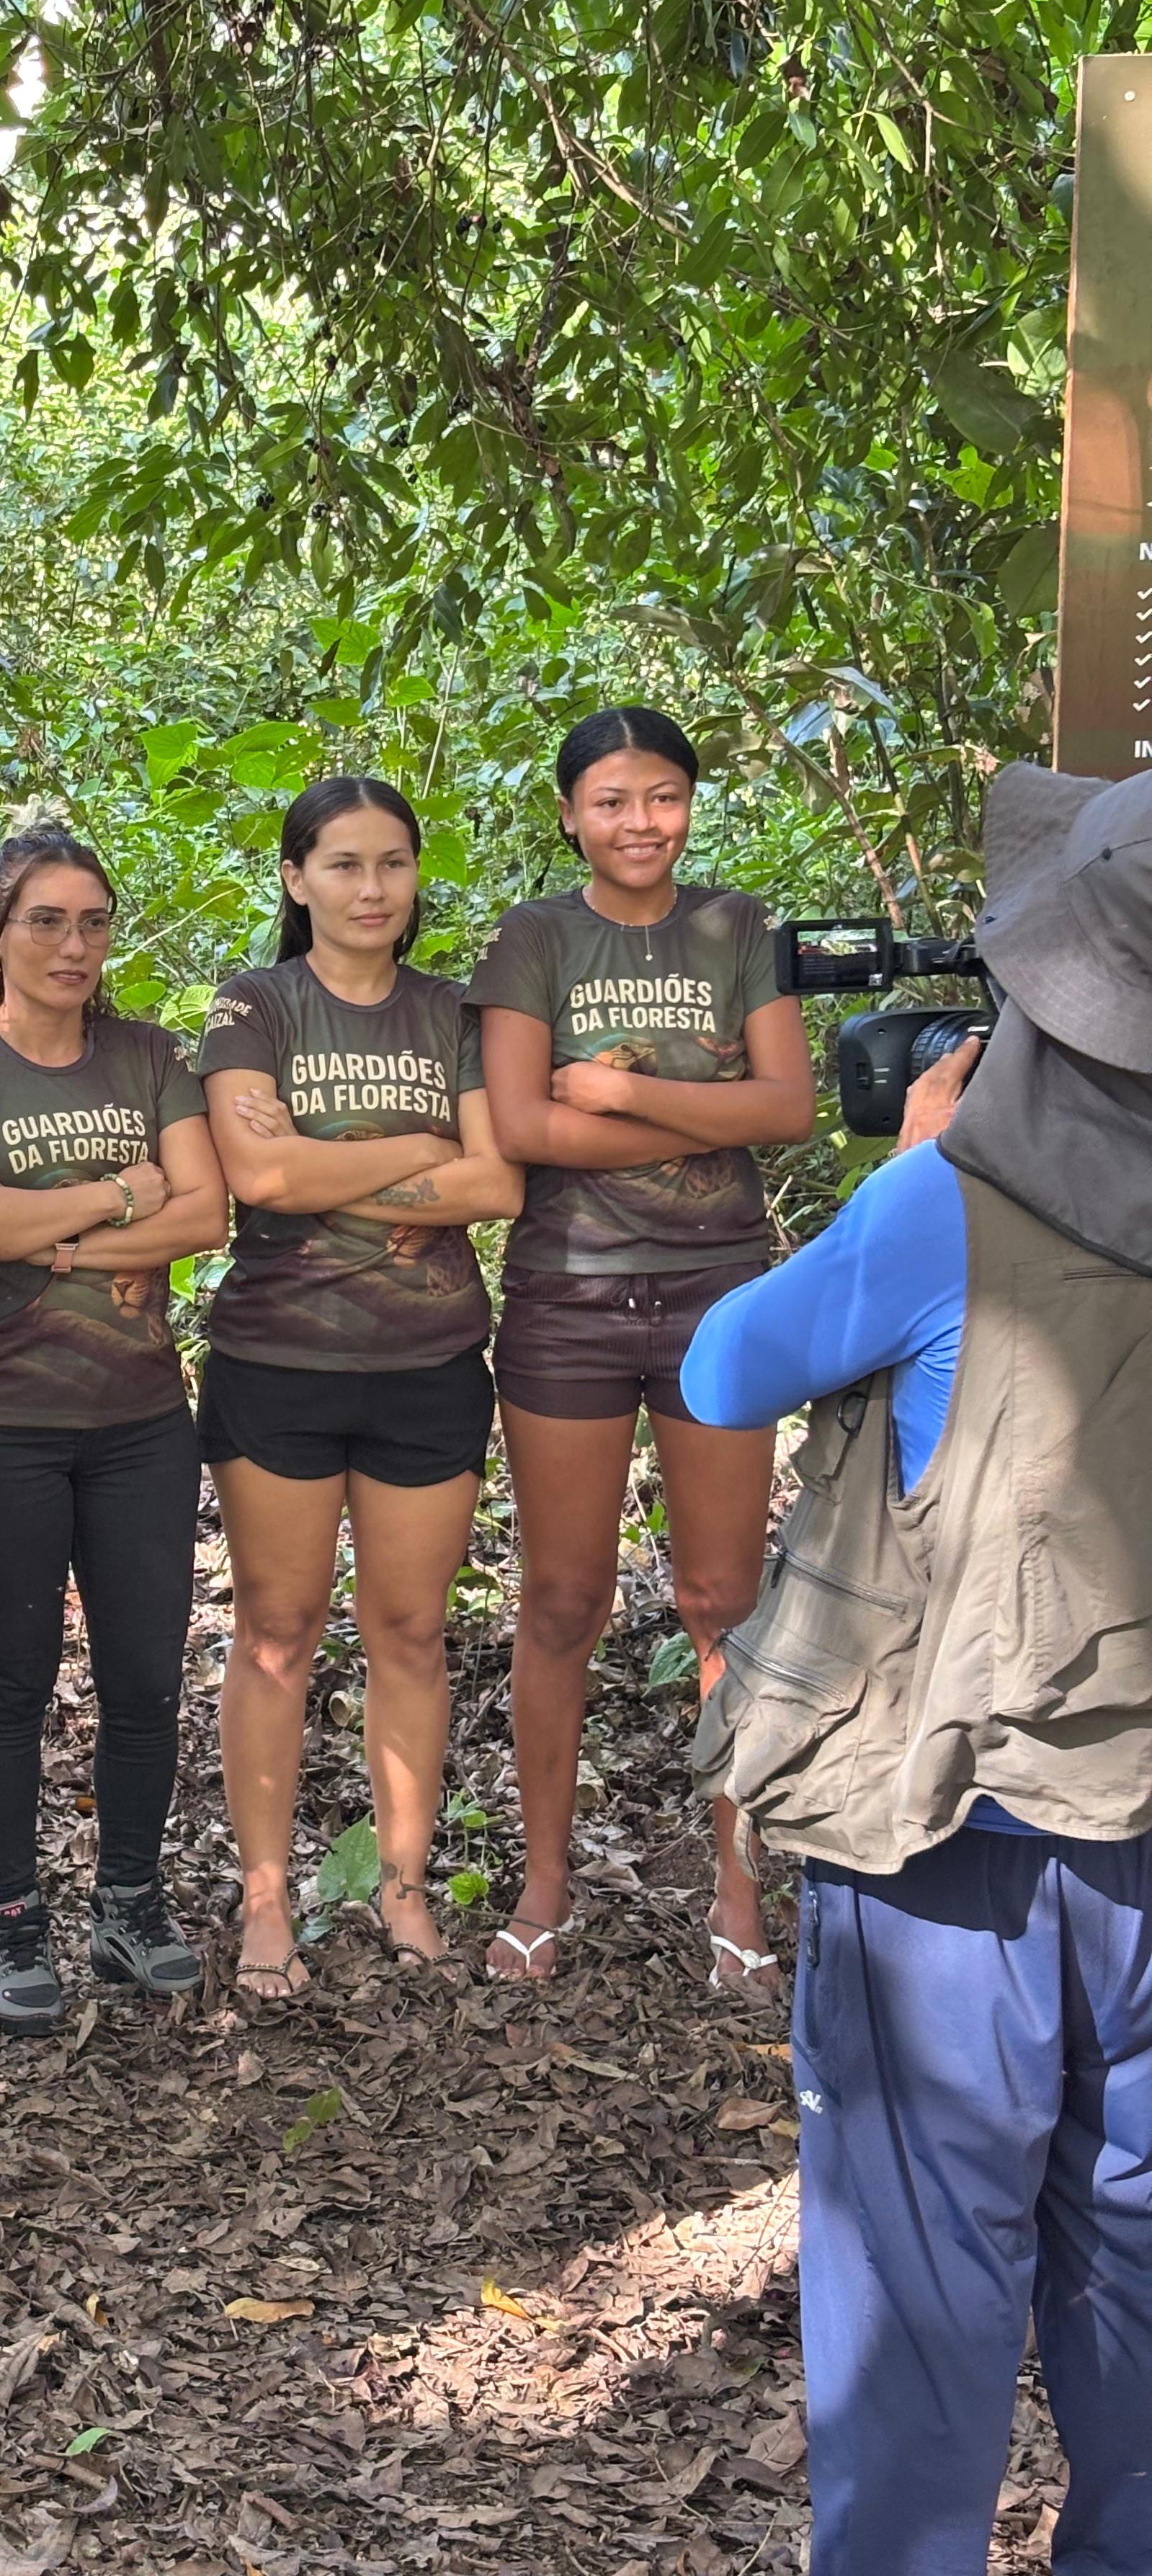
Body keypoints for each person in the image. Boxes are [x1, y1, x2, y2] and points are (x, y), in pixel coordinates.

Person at [682, 761, 1152, 2576]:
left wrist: (902, 1175)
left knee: (924, 2265)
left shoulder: (944, 1209)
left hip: (957, 1815)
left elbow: (727, 1371)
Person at [468, 706, 813, 1988]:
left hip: (718, 1296)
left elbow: (785, 1108)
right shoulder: (534, 939)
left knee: (724, 1600)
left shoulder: (737, 928)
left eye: (662, 795)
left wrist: (617, 1094)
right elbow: (516, 1127)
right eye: (610, 800)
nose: (638, 822)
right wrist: (699, 1118)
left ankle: (739, 1895)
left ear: (689, 803)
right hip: (565, 1300)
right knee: (563, 1601)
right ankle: (544, 1890)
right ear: (569, 814)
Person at [0, 827, 228, 2035]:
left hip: (140, 1419)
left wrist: (45, 1227)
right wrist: (121, 1191)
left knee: (146, 1675)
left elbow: (209, 1213)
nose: (75, 945)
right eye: (47, 921)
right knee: (13, 1677)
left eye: (93, 922)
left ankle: (129, 1901)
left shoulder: (148, 1054)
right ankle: (12, 1915)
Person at [197, 777, 524, 1998]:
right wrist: (421, 1150)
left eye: (392, 864)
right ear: (297, 880)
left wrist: (321, 1163)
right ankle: (269, 1894)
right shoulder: (254, 1007)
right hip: (277, 1366)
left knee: (411, 1632)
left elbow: (498, 1187)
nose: (372, 888)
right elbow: (257, 1180)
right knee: (277, 1634)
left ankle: (401, 1882)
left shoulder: (456, 1013)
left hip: (427, 1366)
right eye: (342, 865)